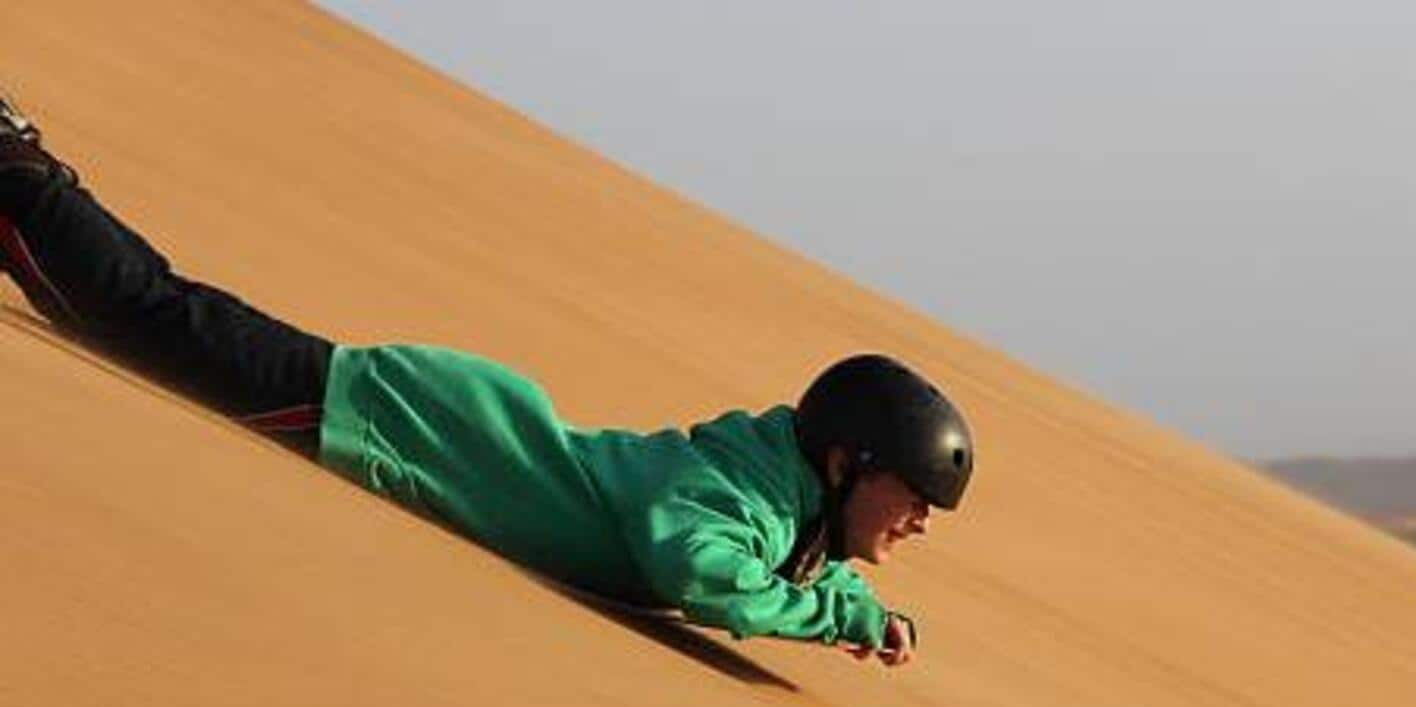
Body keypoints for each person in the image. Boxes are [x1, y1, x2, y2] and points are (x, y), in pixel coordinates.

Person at [0, 95, 973, 667]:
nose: (921, 520)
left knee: (153, 314)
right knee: (132, 317)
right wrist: (838, 614)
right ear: (846, 463)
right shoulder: (727, 494)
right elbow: (704, 575)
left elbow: (777, 566)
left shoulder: (779, 504)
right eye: (915, 494)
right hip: (394, 426)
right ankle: (15, 165)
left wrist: (857, 605)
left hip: (414, 423)